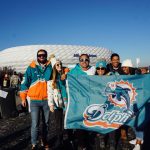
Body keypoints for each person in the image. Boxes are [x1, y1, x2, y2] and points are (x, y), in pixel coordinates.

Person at [20, 49, 52, 150]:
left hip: (47, 100)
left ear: (46, 56)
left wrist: (65, 71)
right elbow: (25, 83)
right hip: (34, 100)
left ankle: (44, 140)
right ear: (37, 56)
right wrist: (23, 97)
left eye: (43, 55)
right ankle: (34, 144)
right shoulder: (31, 68)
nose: (41, 57)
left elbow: (60, 70)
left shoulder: (50, 66)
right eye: (40, 55)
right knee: (35, 124)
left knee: (46, 123)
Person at [69, 53, 95, 150]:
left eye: (86, 60)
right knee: (80, 122)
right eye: (82, 60)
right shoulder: (73, 71)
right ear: (79, 61)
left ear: (89, 60)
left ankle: (86, 142)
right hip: (79, 101)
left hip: (90, 101)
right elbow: (67, 81)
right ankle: (81, 144)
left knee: (88, 122)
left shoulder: (93, 70)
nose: (84, 62)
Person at [122, 59, 143, 150]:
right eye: (123, 67)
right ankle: (139, 139)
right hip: (130, 102)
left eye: (126, 67)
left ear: (130, 67)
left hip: (138, 102)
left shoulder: (137, 76)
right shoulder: (125, 76)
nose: (124, 69)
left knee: (139, 123)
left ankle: (138, 144)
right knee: (134, 123)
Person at [47, 56, 67, 149]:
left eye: (60, 64)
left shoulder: (65, 76)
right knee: (58, 124)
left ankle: (67, 138)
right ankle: (60, 140)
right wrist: (51, 104)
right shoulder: (51, 79)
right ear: (54, 67)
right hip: (57, 104)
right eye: (57, 65)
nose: (59, 66)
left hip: (66, 102)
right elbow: (50, 92)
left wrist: (66, 75)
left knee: (66, 122)